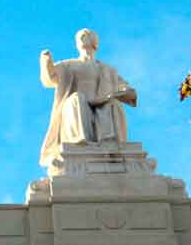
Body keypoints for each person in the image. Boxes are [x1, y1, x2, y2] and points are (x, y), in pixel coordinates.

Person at [38, 28, 137, 166]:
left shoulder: (107, 69)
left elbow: (126, 89)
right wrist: (46, 61)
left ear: (94, 42)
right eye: (80, 36)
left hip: (101, 104)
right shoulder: (69, 65)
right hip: (77, 105)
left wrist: (125, 91)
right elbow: (50, 78)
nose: (83, 38)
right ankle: (80, 141)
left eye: (86, 35)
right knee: (77, 99)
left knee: (110, 104)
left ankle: (109, 143)